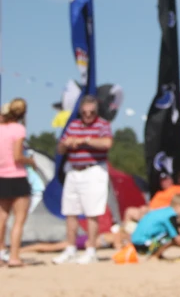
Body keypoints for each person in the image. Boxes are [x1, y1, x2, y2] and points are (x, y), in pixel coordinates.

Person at [52, 95, 113, 265]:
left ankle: (91, 250)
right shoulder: (73, 125)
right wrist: (67, 143)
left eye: (91, 113)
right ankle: (70, 248)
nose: (88, 116)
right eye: (85, 112)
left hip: (93, 170)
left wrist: (85, 140)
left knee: (92, 213)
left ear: (96, 111)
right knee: (70, 211)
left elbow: (107, 143)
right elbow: (60, 148)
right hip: (73, 171)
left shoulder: (102, 125)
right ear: (80, 111)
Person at [0, 99, 36, 267]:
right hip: (17, 176)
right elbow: (17, 156)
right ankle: (14, 256)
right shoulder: (19, 129)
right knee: (19, 221)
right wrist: (30, 161)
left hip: (1, 177)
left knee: (2, 217)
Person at [130, 193, 180, 260]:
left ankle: (157, 253)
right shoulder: (170, 216)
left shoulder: (165, 211)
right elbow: (177, 239)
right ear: (178, 206)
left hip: (135, 243)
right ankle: (154, 256)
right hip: (143, 246)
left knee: (173, 233)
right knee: (171, 237)